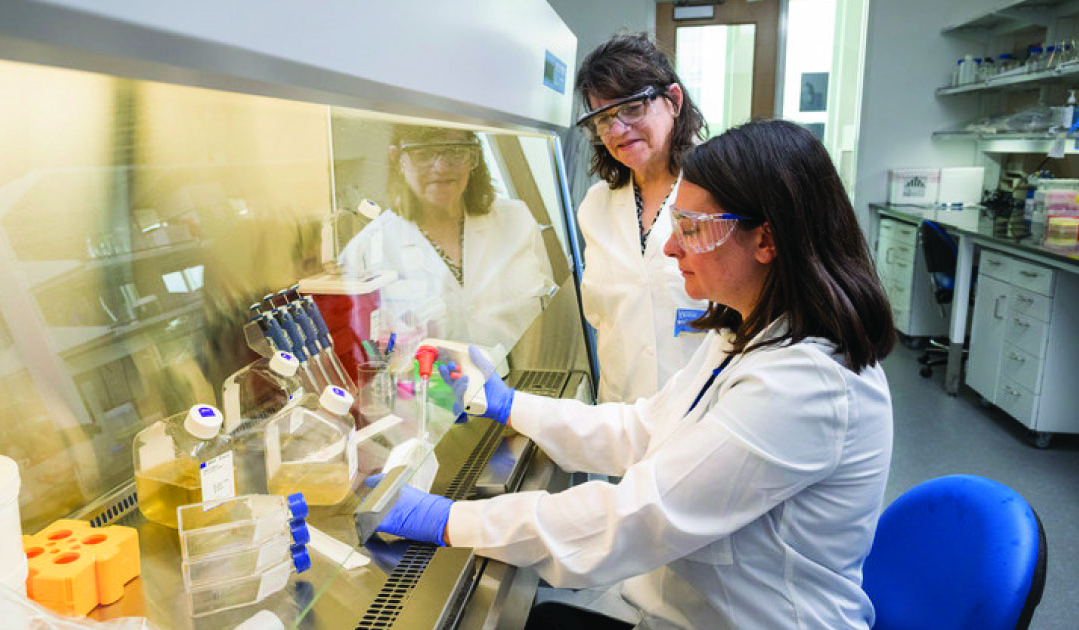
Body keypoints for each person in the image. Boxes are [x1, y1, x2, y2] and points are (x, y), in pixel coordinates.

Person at [366, 120, 898, 630]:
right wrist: (511, 405)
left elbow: (638, 515)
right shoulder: (744, 333)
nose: (671, 248)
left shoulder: (806, 383)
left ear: (766, 241)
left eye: (691, 230)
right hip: (676, 610)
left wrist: (446, 520)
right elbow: (645, 429)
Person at [573, 32, 709, 403]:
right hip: (619, 418)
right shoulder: (595, 207)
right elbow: (603, 320)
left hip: (703, 418)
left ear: (673, 100)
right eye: (602, 119)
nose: (617, 130)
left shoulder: (719, 193)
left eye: (632, 108)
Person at [338, 125, 556, 355]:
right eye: (423, 154)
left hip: (523, 385)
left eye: (455, 151)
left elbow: (548, 312)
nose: (441, 167)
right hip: (429, 390)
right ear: (397, 159)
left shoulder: (517, 220)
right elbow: (364, 357)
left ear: (474, 156)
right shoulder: (366, 249)